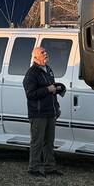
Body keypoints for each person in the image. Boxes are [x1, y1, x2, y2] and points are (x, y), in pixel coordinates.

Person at [23, 46, 66, 176]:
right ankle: (33, 168)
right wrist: (47, 89)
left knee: (49, 141)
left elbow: (52, 90)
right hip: (38, 113)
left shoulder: (48, 70)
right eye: (42, 53)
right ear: (35, 57)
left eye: (45, 51)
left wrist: (57, 105)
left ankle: (50, 167)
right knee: (37, 141)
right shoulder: (32, 73)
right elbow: (30, 94)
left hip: (50, 112)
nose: (46, 54)